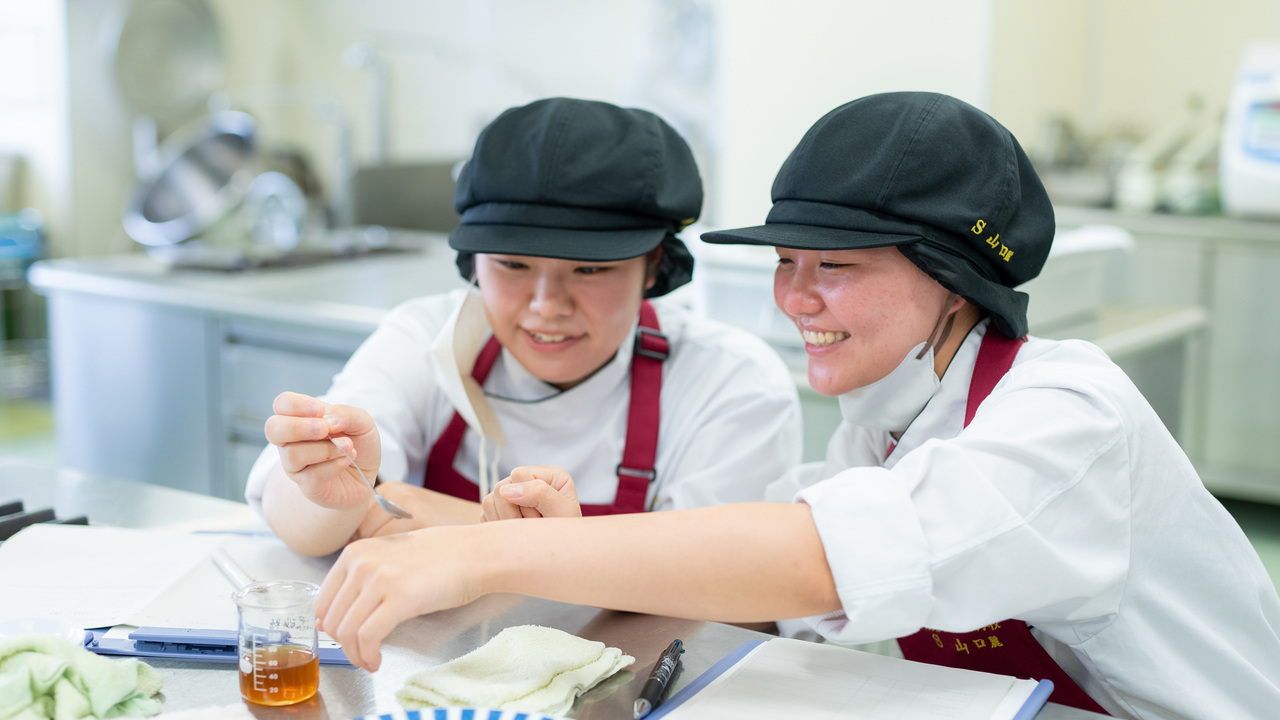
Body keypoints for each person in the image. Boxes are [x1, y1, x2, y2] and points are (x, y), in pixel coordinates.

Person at [311, 93, 1280, 719]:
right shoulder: (880, 425)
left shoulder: (1066, 417)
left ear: (951, 280)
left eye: (838, 268)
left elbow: (814, 559)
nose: (795, 299)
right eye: (787, 263)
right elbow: (781, 594)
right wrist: (576, 547)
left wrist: (482, 550)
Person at [246, 97, 802, 557]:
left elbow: (720, 584)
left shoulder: (731, 382)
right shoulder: (427, 337)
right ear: (473, 263)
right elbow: (290, 511)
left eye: (590, 269)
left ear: (654, 265)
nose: (546, 305)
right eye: (513, 265)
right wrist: (332, 497)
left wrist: (459, 526)